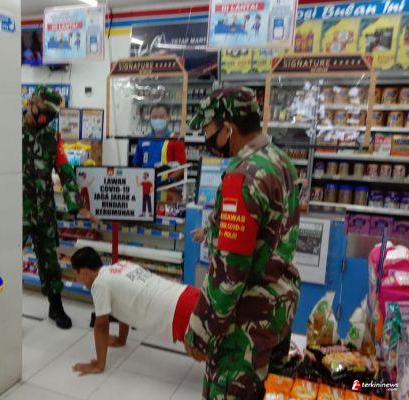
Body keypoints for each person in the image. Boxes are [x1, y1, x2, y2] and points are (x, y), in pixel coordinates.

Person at [186, 87, 301, 399]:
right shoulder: (280, 160)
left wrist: (203, 330)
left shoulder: (243, 175)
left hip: (246, 323)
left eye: (208, 129)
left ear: (228, 128)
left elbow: (230, 271)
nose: (206, 137)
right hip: (278, 308)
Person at [23, 86, 96, 329]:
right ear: (32, 103)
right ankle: (4, 311)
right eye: (44, 111)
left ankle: (56, 307)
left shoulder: (52, 138)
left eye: (52, 115)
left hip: (44, 212)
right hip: (16, 213)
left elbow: (65, 171)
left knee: (49, 262)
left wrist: (76, 205)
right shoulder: (10, 131)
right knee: (6, 260)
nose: (46, 118)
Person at [69, 247, 201, 376]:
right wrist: (121, 339)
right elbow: (123, 305)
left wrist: (99, 364)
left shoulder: (99, 284)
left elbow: (101, 325)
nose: (76, 279)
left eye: (76, 274)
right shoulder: (121, 265)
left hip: (178, 312)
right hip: (188, 293)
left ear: (85, 272)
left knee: (204, 354)